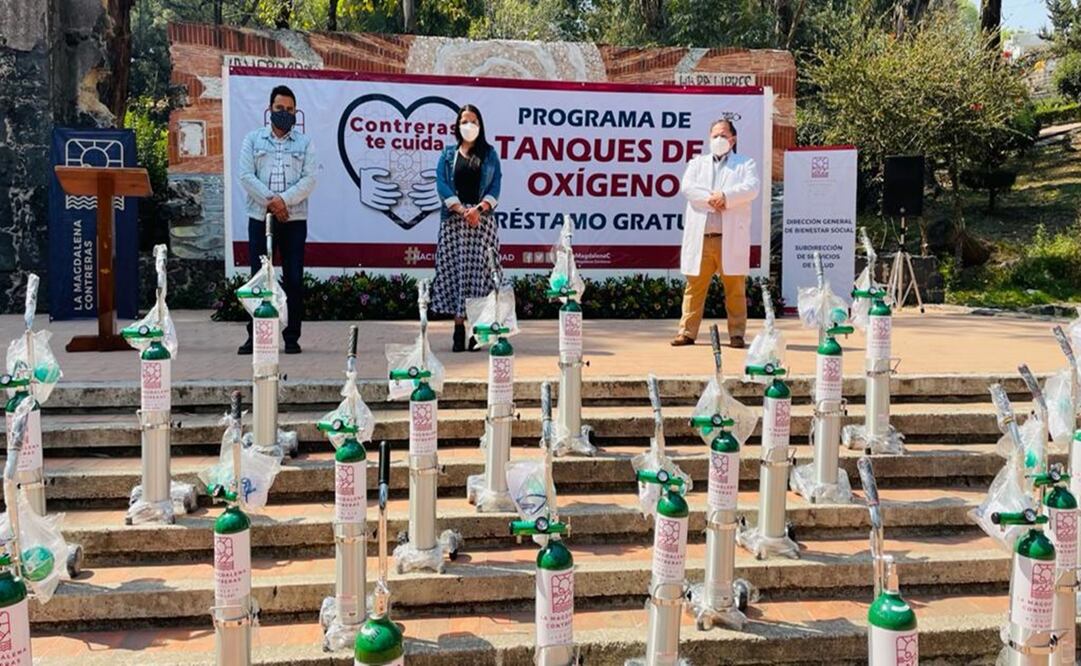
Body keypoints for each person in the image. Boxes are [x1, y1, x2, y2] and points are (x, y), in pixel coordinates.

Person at [236, 84, 317, 355]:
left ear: (296, 112)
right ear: (270, 109)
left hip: (294, 219)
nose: (285, 113)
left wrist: (284, 202)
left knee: (293, 278)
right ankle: (256, 337)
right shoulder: (253, 140)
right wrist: (272, 201)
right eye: (280, 108)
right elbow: (246, 175)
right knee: (259, 279)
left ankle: (291, 337)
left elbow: (309, 179)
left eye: (290, 110)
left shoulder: (305, 143)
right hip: (260, 217)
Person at [672, 118, 760, 348]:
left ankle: (737, 334)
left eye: (723, 135)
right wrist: (714, 200)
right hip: (702, 238)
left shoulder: (745, 164)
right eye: (715, 136)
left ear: (733, 139)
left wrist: (727, 197)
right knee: (694, 287)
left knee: (735, 289)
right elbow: (687, 187)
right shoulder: (696, 163)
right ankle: (686, 333)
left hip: (729, 239)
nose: (719, 139)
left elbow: (751, 188)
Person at [431, 104, 503, 352]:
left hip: (481, 222)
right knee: (457, 274)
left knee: (480, 276)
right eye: (464, 121)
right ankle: (458, 329)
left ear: (480, 126)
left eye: (473, 121)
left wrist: (478, 210)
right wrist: (462, 211)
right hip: (455, 222)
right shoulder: (448, 154)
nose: (469, 126)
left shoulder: (489, 154)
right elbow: (441, 184)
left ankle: (477, 331)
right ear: (457, 125)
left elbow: (495, 187)